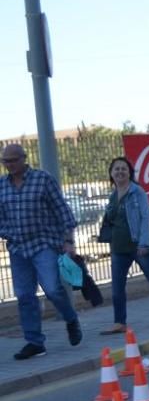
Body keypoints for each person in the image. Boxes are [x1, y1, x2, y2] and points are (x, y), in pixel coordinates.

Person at [0, 143, 83, 360]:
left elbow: (61, 209)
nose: (8, 165)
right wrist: (7, 232)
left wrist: (68, 240)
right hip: (18, 247)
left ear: (23, 159)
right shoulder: (2, 186)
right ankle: (34, 342)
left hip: (43, 243)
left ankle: (70, 318)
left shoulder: (42, 179)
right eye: (5, 161)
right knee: (24, 295)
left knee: (52, 289)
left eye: (12, 160)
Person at [99, 157, 149, 334]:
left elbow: (145, 219)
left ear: (129, 173)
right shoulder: (113, 196)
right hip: (119, 248)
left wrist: (143, 243)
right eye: (116, 169)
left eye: (123, 169)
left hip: (138, 246)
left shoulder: (138, 192)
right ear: (111, 174)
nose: (120, 172)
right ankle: (119, 322)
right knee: (117, 287)